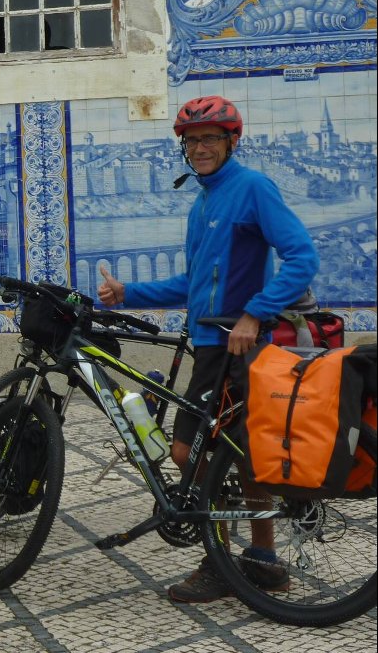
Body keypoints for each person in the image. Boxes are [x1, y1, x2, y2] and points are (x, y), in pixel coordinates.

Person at [97, 94, 318, 603]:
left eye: (210, 139)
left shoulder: (252, 188)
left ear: (231, 141)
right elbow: (193, 283)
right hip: (210, 344)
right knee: (218, 454)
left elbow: (302, 257)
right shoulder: (203, 202)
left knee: (207, 453)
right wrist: (129, 294)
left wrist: (254, 313)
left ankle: (237, 560)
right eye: (191, 140)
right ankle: (256, 560)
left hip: (237, 347)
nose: (199, 148)